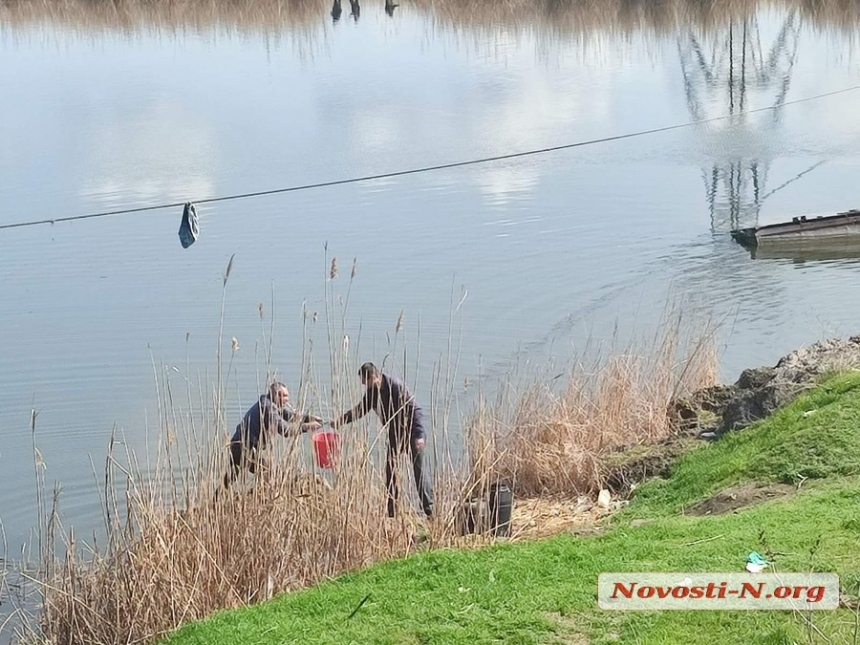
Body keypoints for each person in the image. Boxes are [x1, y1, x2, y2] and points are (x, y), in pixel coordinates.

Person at [330, 362, 434, 518]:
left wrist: (418, 435)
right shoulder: (372, 392)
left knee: (418, 471)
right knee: (390, 471)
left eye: (366, 382)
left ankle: (430, 510)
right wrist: (341, 420)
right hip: (394, 433)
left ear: (374, 377)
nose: (365, 386)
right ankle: (392, 512)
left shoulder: (396, 386)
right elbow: (360, 410)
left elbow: (416, 409)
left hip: (412, 432)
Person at [222, 381, 322, 490]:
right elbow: (286, 430)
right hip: (243, 448)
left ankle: (216, 500)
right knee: (267, 472)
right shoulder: (268, 409)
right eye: (285, 396)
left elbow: (290, 416)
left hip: (239, 446)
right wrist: (307, 427)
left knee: (231, 478)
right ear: (276, 395)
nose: (287, 399)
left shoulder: (271, 404)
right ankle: (259, 497)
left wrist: (309, 418)